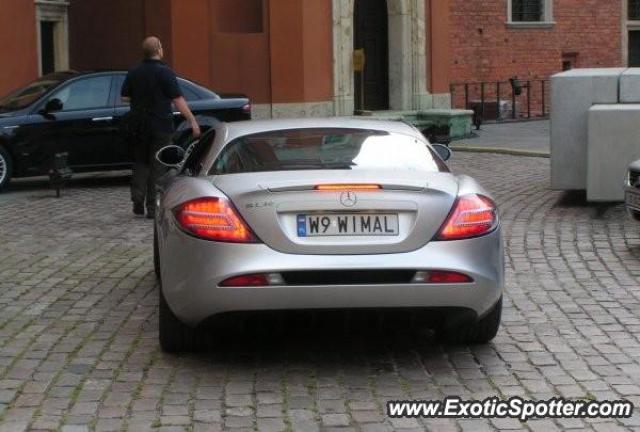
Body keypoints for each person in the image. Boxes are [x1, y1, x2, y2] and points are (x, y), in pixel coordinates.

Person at [121, 36, 201, 218]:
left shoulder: (133, 72)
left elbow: (124, 98)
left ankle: (137, 199)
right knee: (158, 165)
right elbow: (178, 100)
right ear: (158, 49)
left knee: (140, 162)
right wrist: (192, 120)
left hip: (138, 126)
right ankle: (152, 207)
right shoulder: (165, 72)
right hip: (160, 125)